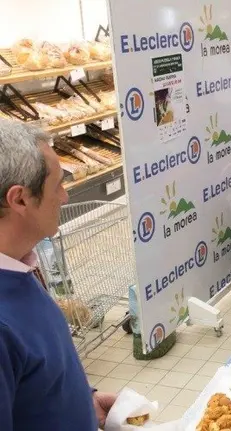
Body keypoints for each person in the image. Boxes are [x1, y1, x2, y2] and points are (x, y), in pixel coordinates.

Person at [0, 119, 116, 429]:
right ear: (20, 198)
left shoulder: (21, 267)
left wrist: (82, 400)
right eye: (57, 185)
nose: (64, 197)